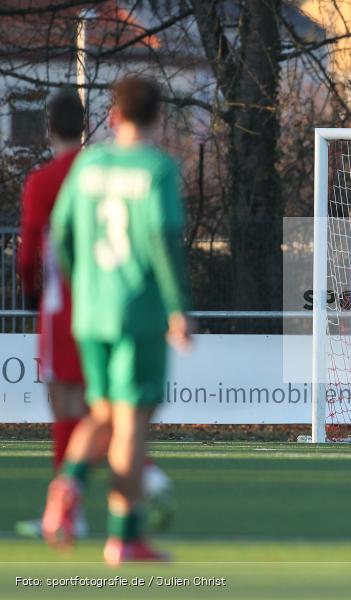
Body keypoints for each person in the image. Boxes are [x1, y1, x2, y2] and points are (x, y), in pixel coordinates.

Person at [43, 75, 192, 564]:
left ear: (113, 116)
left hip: (90, 312)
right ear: (158, 117)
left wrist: (82, 284)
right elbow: (161, 236)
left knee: (102, 414)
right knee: (129, 425)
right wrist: (176, 307)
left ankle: (67, 485)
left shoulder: (88, 164)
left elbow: (61, 232)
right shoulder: (157, 168)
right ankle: (124, 539)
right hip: (138, 312)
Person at [14, 92, 88, 539]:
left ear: (48, 130)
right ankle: (128, 506)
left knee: (65, 407)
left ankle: (67, 513)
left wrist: (30, 292)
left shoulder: (43, 181)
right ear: (85, 127)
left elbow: (29, 253)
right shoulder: (101, 175)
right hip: (111, 305)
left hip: (63, 309)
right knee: (104, 411)